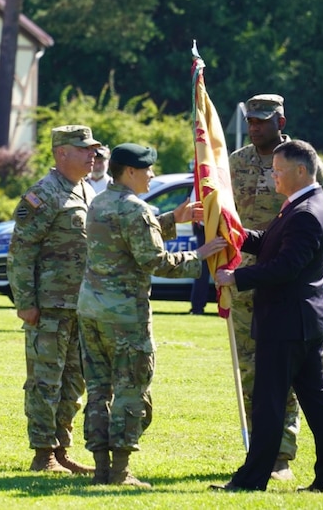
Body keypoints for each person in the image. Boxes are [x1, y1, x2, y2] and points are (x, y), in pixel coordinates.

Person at [77, 143, 226, 486]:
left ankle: (101, 468)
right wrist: (200, 255)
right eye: (148, 170)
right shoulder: (136, 210)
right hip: (125, 316)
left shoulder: (99, 202)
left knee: (99, 389)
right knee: (130, 389)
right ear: (130, 171)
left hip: (91, 310)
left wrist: (173, 218)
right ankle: (120, 472)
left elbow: (125, 236)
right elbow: (155, 261)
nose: (152, 176)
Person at [213, 140, 323, 492]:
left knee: (270, 406)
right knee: (317, 402)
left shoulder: (306, 213)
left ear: (301, 171)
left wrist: (236, 277)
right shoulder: (302, 206)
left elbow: (285, 267)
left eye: (279, 170)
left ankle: (251, 481)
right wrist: (236, 236)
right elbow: (271, 243)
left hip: (288, 324)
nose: (273, 177)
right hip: (300, 322)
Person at [6, 124, 100, 475]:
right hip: (48, 307)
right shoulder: (43, 194)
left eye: (93, 149)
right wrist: (25, 302)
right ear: (62, 153)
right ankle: (42, 452)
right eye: (84, 148)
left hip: (81, 306)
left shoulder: (87, 191)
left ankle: (61, 449)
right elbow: (20, 252)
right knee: (45, 380)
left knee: (74, 381)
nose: (92, 154)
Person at [189, 221, 211, 314]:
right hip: (206, 226)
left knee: (202, 272)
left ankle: (197, 307)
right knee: (202, 272)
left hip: (205, 226)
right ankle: (197, 306)